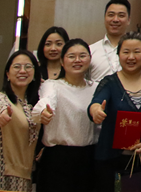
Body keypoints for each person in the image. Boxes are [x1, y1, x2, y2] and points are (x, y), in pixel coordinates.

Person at [88, 32, 141, 192]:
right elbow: (97, 102)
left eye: (137, 52)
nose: (131, 57)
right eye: (126, 52)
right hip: (110, 162)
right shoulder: (109, 82)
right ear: (118, 55)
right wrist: (96, 110)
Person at [33, 38, 98, 192]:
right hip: (57, 159)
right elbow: (46, 101)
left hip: (89, 157)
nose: (77, 60)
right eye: (71, 56)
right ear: (62, 61)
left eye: (82, 56)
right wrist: (43, 112)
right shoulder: (52, 85)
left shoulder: (96, 87)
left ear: (90, 59)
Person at [0, 50, 41, 192]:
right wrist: (3, 114)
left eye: (28, 67)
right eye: (17, 66)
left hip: (24, 173)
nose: (22, 71)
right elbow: (0, 106)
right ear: (7, 73)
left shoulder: (34, 105)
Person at [89, 0, 141, 82]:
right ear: (104, 18)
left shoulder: (139, 49)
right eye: (111, 15)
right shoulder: (91, 50)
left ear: (129, 20)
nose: (115, 20)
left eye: (121, 15)